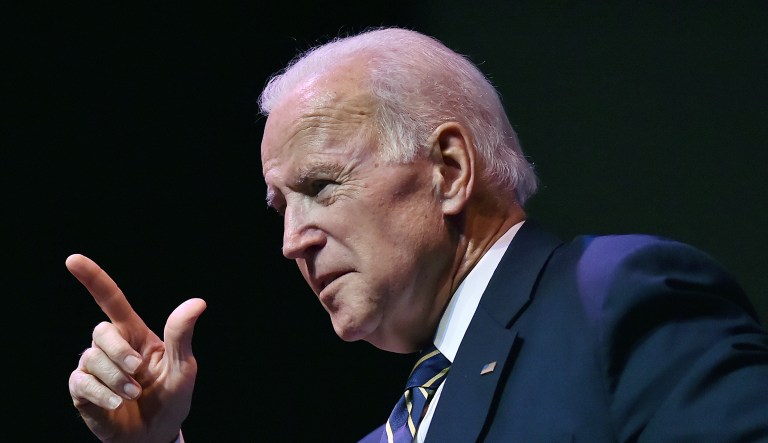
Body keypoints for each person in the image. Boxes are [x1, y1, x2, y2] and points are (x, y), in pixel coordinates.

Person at [66, 27, 768, 443]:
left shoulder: (616, 296)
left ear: (451, 169)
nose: (291, 240)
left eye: (320, 187)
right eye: (280, 205)